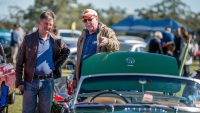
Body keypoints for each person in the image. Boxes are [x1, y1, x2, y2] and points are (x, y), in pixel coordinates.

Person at [15, 10, 70, 113]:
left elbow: (66, 51)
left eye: (51, 24)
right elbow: (19, 63)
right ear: (39, 23)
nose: (48, 26)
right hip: (29, 82)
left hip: (48, 83)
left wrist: (56, 64)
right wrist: (19, 82)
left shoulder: (56, 41)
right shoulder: (28, 39)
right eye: (46, 23)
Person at [74, 9, 120, 86]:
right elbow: (79, 59)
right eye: (85, 20)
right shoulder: (83, 35)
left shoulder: (106, 31)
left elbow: (117, 46)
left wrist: (107, 41)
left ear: (96, 19)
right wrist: (75, 78)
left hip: (98, 78)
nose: (87, 22)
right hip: (83, 78)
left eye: (90, 19)